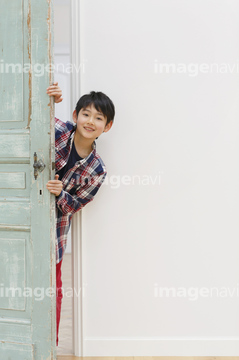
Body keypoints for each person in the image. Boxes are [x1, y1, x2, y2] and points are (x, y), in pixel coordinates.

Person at [46, 82, 115, 346]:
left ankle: (48, 344)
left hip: (55, 233)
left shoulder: (97, 169)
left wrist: (60, 193)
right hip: (24, 220)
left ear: (106, 127)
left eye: (99, 118)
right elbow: (33, 117)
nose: (90, 121)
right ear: (75, 116)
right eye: (86, 114)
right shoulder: (60, 130)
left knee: (53, 289)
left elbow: (75, 204)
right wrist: (50, 98)